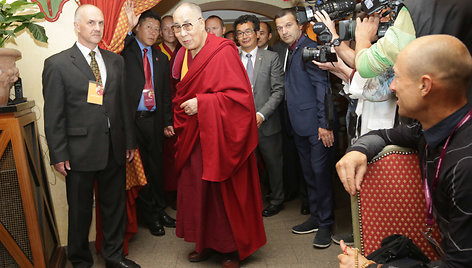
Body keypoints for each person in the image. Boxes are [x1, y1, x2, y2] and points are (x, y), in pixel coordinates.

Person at [336, 35, 472, 268]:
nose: (392, 86)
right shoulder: (430, 126)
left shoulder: (465, 165)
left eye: (398, 77)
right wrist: (357, 151)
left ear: (425, 85)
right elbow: (384, 135)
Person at [42, 4, 139, 268]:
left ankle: (114, 257)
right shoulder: (57, 64)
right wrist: (58, 153)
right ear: (77, 26)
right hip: (78, 152)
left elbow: (123, 105)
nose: (97, 28)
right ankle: (80, 261)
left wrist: (129, 141)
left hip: (113, 147)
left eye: (100, 23)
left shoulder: (115, 60)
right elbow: (53, 115)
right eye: (91, 23)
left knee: (114, 208)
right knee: (80, 212)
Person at [171, 3, 266, 267]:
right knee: (199, 194)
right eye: (177, 27)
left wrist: (204, 103)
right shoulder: (182, 56)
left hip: (222, 138)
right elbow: (179, 94)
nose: (183, 33)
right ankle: (204, 243)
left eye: (188, 25)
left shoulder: (223, 52)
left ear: (201, 23)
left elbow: (240, 99)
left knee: (223, 194)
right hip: (194, 137)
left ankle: (229, 249)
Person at [275, 8, 336, 248]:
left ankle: (326, 224)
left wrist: (325, 124)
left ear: (299, 25)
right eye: (279, 28)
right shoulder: (290, 51)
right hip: (298, 125)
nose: (283, 31)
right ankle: (316, 216)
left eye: (288, 25)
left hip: (316, 127)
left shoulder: (310, 48)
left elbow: (322, 88)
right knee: (309, 175)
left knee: (321, 176)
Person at [122, 3, 175, 236]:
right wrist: (127, 29)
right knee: (140, 170)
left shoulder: (161, 58)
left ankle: (160, 209)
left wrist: (167, 121)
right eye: (149, 27)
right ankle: (150, 216)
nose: (154, 32)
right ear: (138, 28)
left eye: (157, 29)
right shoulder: (127, 52)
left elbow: (165, 94)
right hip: (133, 121)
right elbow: (114, 48)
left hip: (154, 121)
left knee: (156, 168)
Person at [234, 14, 285, 217]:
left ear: (257, 33)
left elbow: (278, 91)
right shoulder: (232, 58)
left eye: (248, 31)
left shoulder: (272, 58)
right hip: (239, 125)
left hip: (267, 122)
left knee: (274, 165)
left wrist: (261, 114)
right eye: (239, 33)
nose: (244, 36)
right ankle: (250, 201)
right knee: (247, 168)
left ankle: (277, 200)